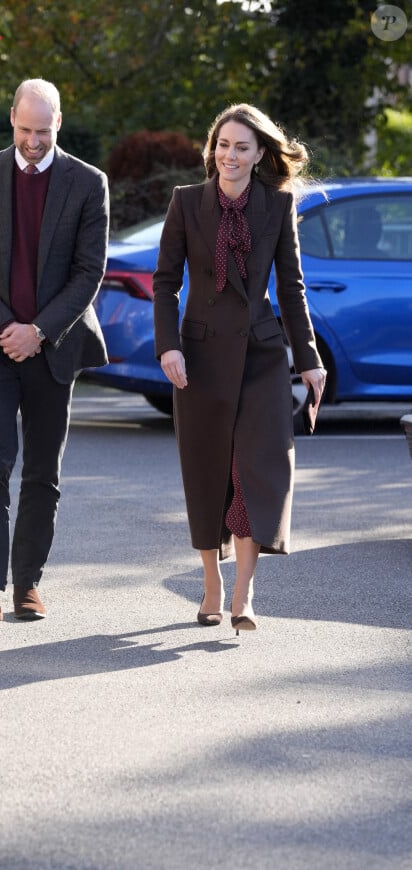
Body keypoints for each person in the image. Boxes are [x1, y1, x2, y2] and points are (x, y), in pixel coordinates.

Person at [153, 103, 326, 636]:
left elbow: (291, 289)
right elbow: (166, 282)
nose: (230, 155)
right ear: (213, 150)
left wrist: (310, 359)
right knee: (206, 473)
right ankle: (211, 587)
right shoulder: (186, 203)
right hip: (199, 360)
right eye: (223, 145)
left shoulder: (276, 207)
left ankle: (245, 596)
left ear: (259, 155)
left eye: (242, 147)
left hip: (261, 356)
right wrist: (169, 347)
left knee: (254, 472)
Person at [0, 78, 109, 631]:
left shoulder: (89, 183)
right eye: (24, 130)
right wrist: (7, 329)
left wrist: (38, 330)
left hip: (54, 348)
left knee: (43, 471)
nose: (33, 141)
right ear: (11, 120)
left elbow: (89, 272)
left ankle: (28, 584)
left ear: (58, 123)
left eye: (43, 131)